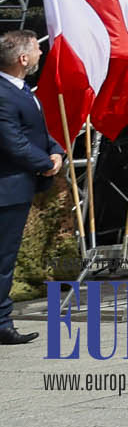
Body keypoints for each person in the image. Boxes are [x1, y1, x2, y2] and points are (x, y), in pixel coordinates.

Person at [0, 31, 66, 346]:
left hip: (17, 187)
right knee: (2, 260)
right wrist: (45, 162)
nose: (42, 53)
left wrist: (56, 150)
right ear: (23, 58)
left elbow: (35, 130)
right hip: (7, 188)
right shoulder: (3, 92)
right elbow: (11, 140)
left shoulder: (21, 89)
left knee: (5, 259)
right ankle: (1, 322)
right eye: (38, 49)